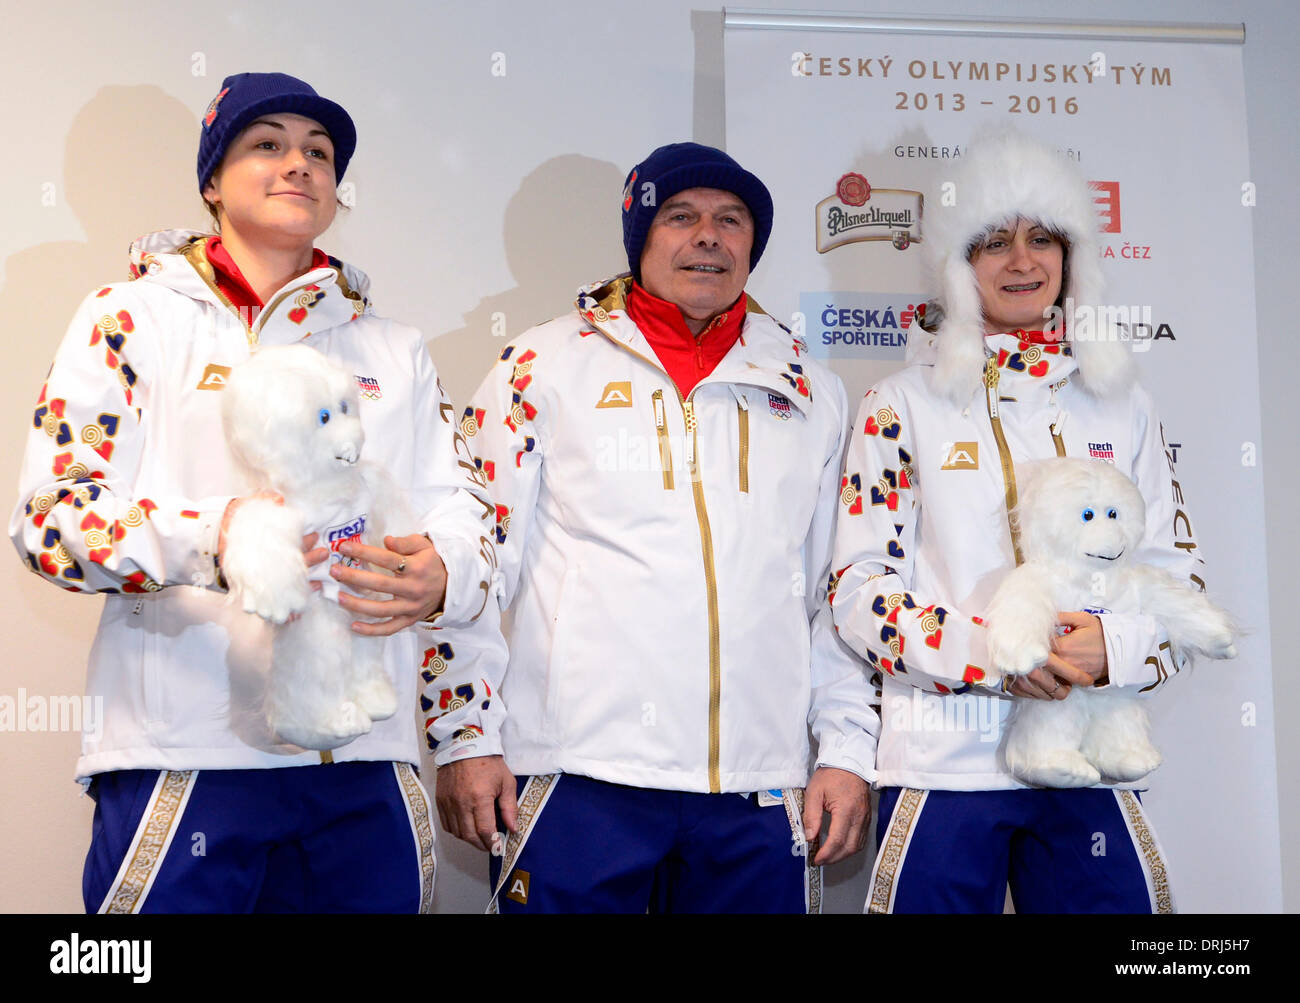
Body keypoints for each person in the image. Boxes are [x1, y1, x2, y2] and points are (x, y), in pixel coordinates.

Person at [10, 72, 495, 913]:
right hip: (184, 755)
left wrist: (446, 569)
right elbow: (53, 516)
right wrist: (220, 537)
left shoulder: (393, 347)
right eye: (265, 144)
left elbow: (463, 512)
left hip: (362, 761)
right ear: (212, 180)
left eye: (318, 152)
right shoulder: (127, 317)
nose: (297, 164)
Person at [428, 142, 878, 913]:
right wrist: (466, 734)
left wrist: (845, 749)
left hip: (757, 784)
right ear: (640, 237)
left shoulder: (813, 389)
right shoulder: (540, 364)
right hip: (580, 774)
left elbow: (835, 594)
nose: (709, 236)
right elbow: (471, 560)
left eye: (731, 221)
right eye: (682, 216)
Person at [830, 129, 1201, 913]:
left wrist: (1118, 648)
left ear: (1073, 258)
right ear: (960, 266)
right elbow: (860, 588)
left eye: (1042, 238)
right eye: (994, 241)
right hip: (943, 761)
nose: (1021, 261)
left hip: (1088, 756)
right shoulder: (901, 403)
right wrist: (994, 653)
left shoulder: (1124, 404)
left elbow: (1177, 579)